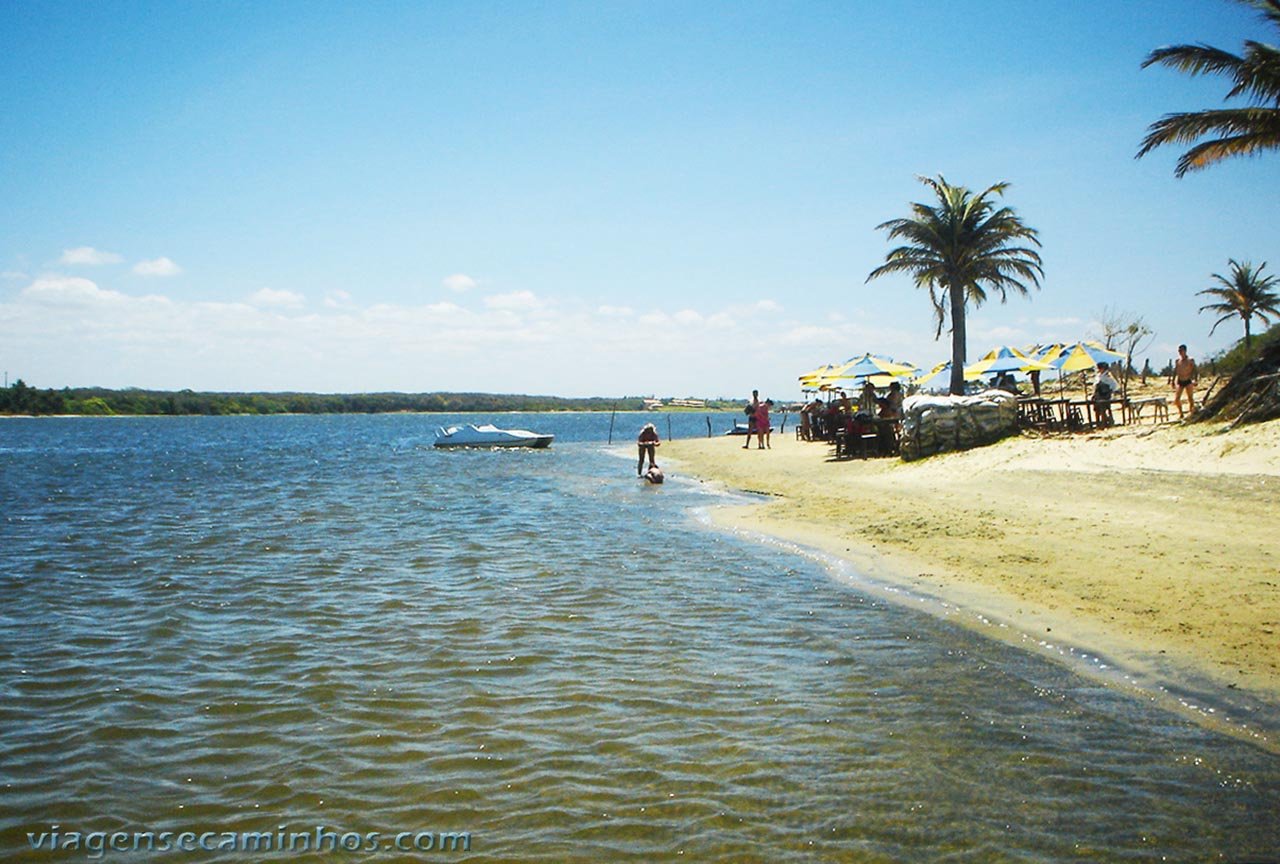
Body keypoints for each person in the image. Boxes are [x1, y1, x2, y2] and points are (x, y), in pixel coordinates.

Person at [1172, 344, 1197, 419]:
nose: (1180, 352)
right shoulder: (1177, 361)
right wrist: (1172, 380)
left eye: (1181, 350)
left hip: (1188, 380)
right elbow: (1175, 371)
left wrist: (1195, 379)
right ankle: (1181, 413)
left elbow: (1195, 370)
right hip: (1180, 380)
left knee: (1190, 398)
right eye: (1179, 351)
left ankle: (1191, 412)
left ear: (1185, 351)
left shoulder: (1190, 360)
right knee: (1176, 399)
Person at [1093, 362, 1118, 427]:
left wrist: (1109, 391)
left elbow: (1114, 386)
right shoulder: (1098, 376)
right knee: (1097, 409)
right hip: (1098, 396)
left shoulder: (1108, 376)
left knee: (1103, 407)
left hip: (1105, 396)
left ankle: (1105, 421)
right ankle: (1100, 422)